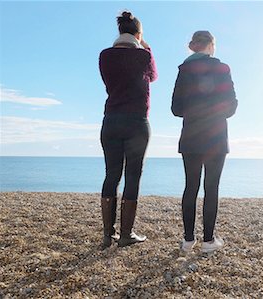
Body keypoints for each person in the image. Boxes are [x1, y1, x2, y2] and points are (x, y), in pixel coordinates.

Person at [171, 31, 238, 253]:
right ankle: (208, 240)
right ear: (210, 45)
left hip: (191, 135)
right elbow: (230, 106)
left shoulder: (184, 70)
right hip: (216, 136)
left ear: (193, 47)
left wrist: (194, 110)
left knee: (191, 187)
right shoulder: (222, 69)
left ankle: (188, 240)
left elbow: (175, 109)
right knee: (211, 188)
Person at [99, 11, 157, 249]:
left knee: (112, 174)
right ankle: (126, 234)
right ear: (138, 33)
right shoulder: (143, 56)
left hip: (111, 120)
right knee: (132, 175)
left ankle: (107, 235)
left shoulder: (105, 55)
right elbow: (153, 76)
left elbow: (109, 81)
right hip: (136, 122)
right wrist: (147, 46)